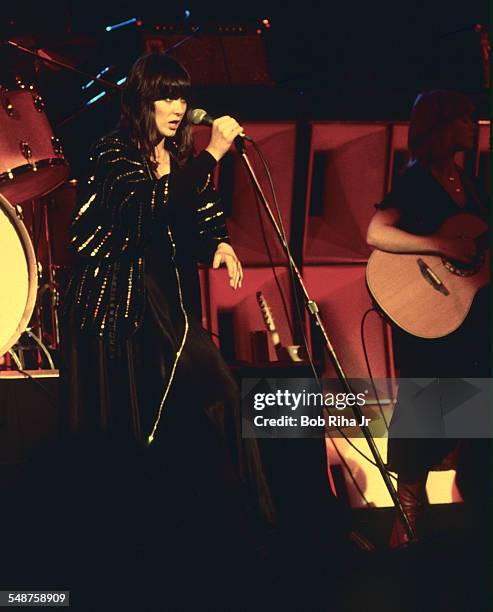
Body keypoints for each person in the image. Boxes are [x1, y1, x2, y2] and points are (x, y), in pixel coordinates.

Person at [61, 52, 277, 569]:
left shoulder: (178, 161)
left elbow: (196, 211)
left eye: (181, 95)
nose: (176, 107)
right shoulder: (111, 153)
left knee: (222, 397)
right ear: (141, 99)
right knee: (141, 430)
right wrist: (213, 155)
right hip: (124, 307)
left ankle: (254, 535)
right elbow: (144, 210)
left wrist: (217, 245)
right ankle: (145, 553)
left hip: (172, 304)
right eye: (164, 95)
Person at [366, 90, 490, 547]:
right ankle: (409, 512)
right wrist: (440, 245)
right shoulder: (417, 180)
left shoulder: (468, 181)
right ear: (441, 125)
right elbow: (376, 232)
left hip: (470, 318)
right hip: (430, 319)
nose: (473, 125)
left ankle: (474, 507)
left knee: (476, 411)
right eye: (464, 118)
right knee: (427, 407)